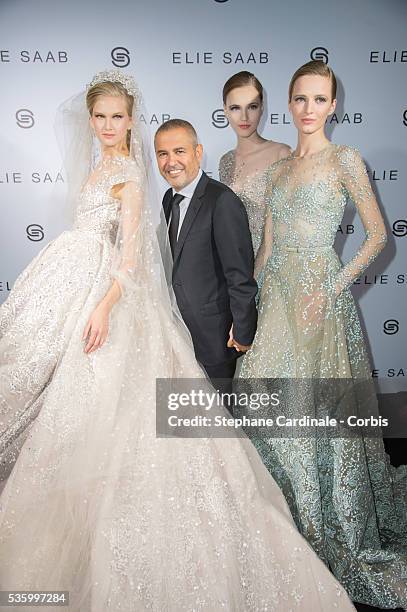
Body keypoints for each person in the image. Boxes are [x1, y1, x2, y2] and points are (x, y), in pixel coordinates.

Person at [0, 70, 358, 611]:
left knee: (191, 438)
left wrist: (242, 328)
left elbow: (229, 272)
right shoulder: (155, 193)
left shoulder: (200, 194)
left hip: (195, 328)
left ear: (195, 150)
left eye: (118, 116)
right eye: (100, 116)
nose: (108, 125)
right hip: (147, 315)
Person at [239, 60, 407, 609]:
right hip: (278, 303)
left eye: (319, 99)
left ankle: (318, 522)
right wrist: (253, 308)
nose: (309, 109)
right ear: (289, 104)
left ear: (333, 105)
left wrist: (332, 287)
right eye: (300, 99)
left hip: (320, 303)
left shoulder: (345, 160)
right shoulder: (278, 172)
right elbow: (266, 246)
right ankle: (274, 521)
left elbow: (379, 235)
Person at [154, 119, 257, 394]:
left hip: (215, 337)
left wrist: (243, 329)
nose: (170, 161)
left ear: (198, 153)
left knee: (217, 422)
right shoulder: (168, 199)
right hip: (177, 331)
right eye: (162, 154)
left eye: (179, 151)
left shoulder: (222, 201)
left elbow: (239, 273)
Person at [219, 71, 290, 262]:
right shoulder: (225, 161)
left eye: (252, 106)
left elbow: (286, 225)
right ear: (225, 110)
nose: (244, 116)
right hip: (234, 265)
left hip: (271, 265)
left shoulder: (280, 154)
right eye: (235, 108)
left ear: (262, 108)